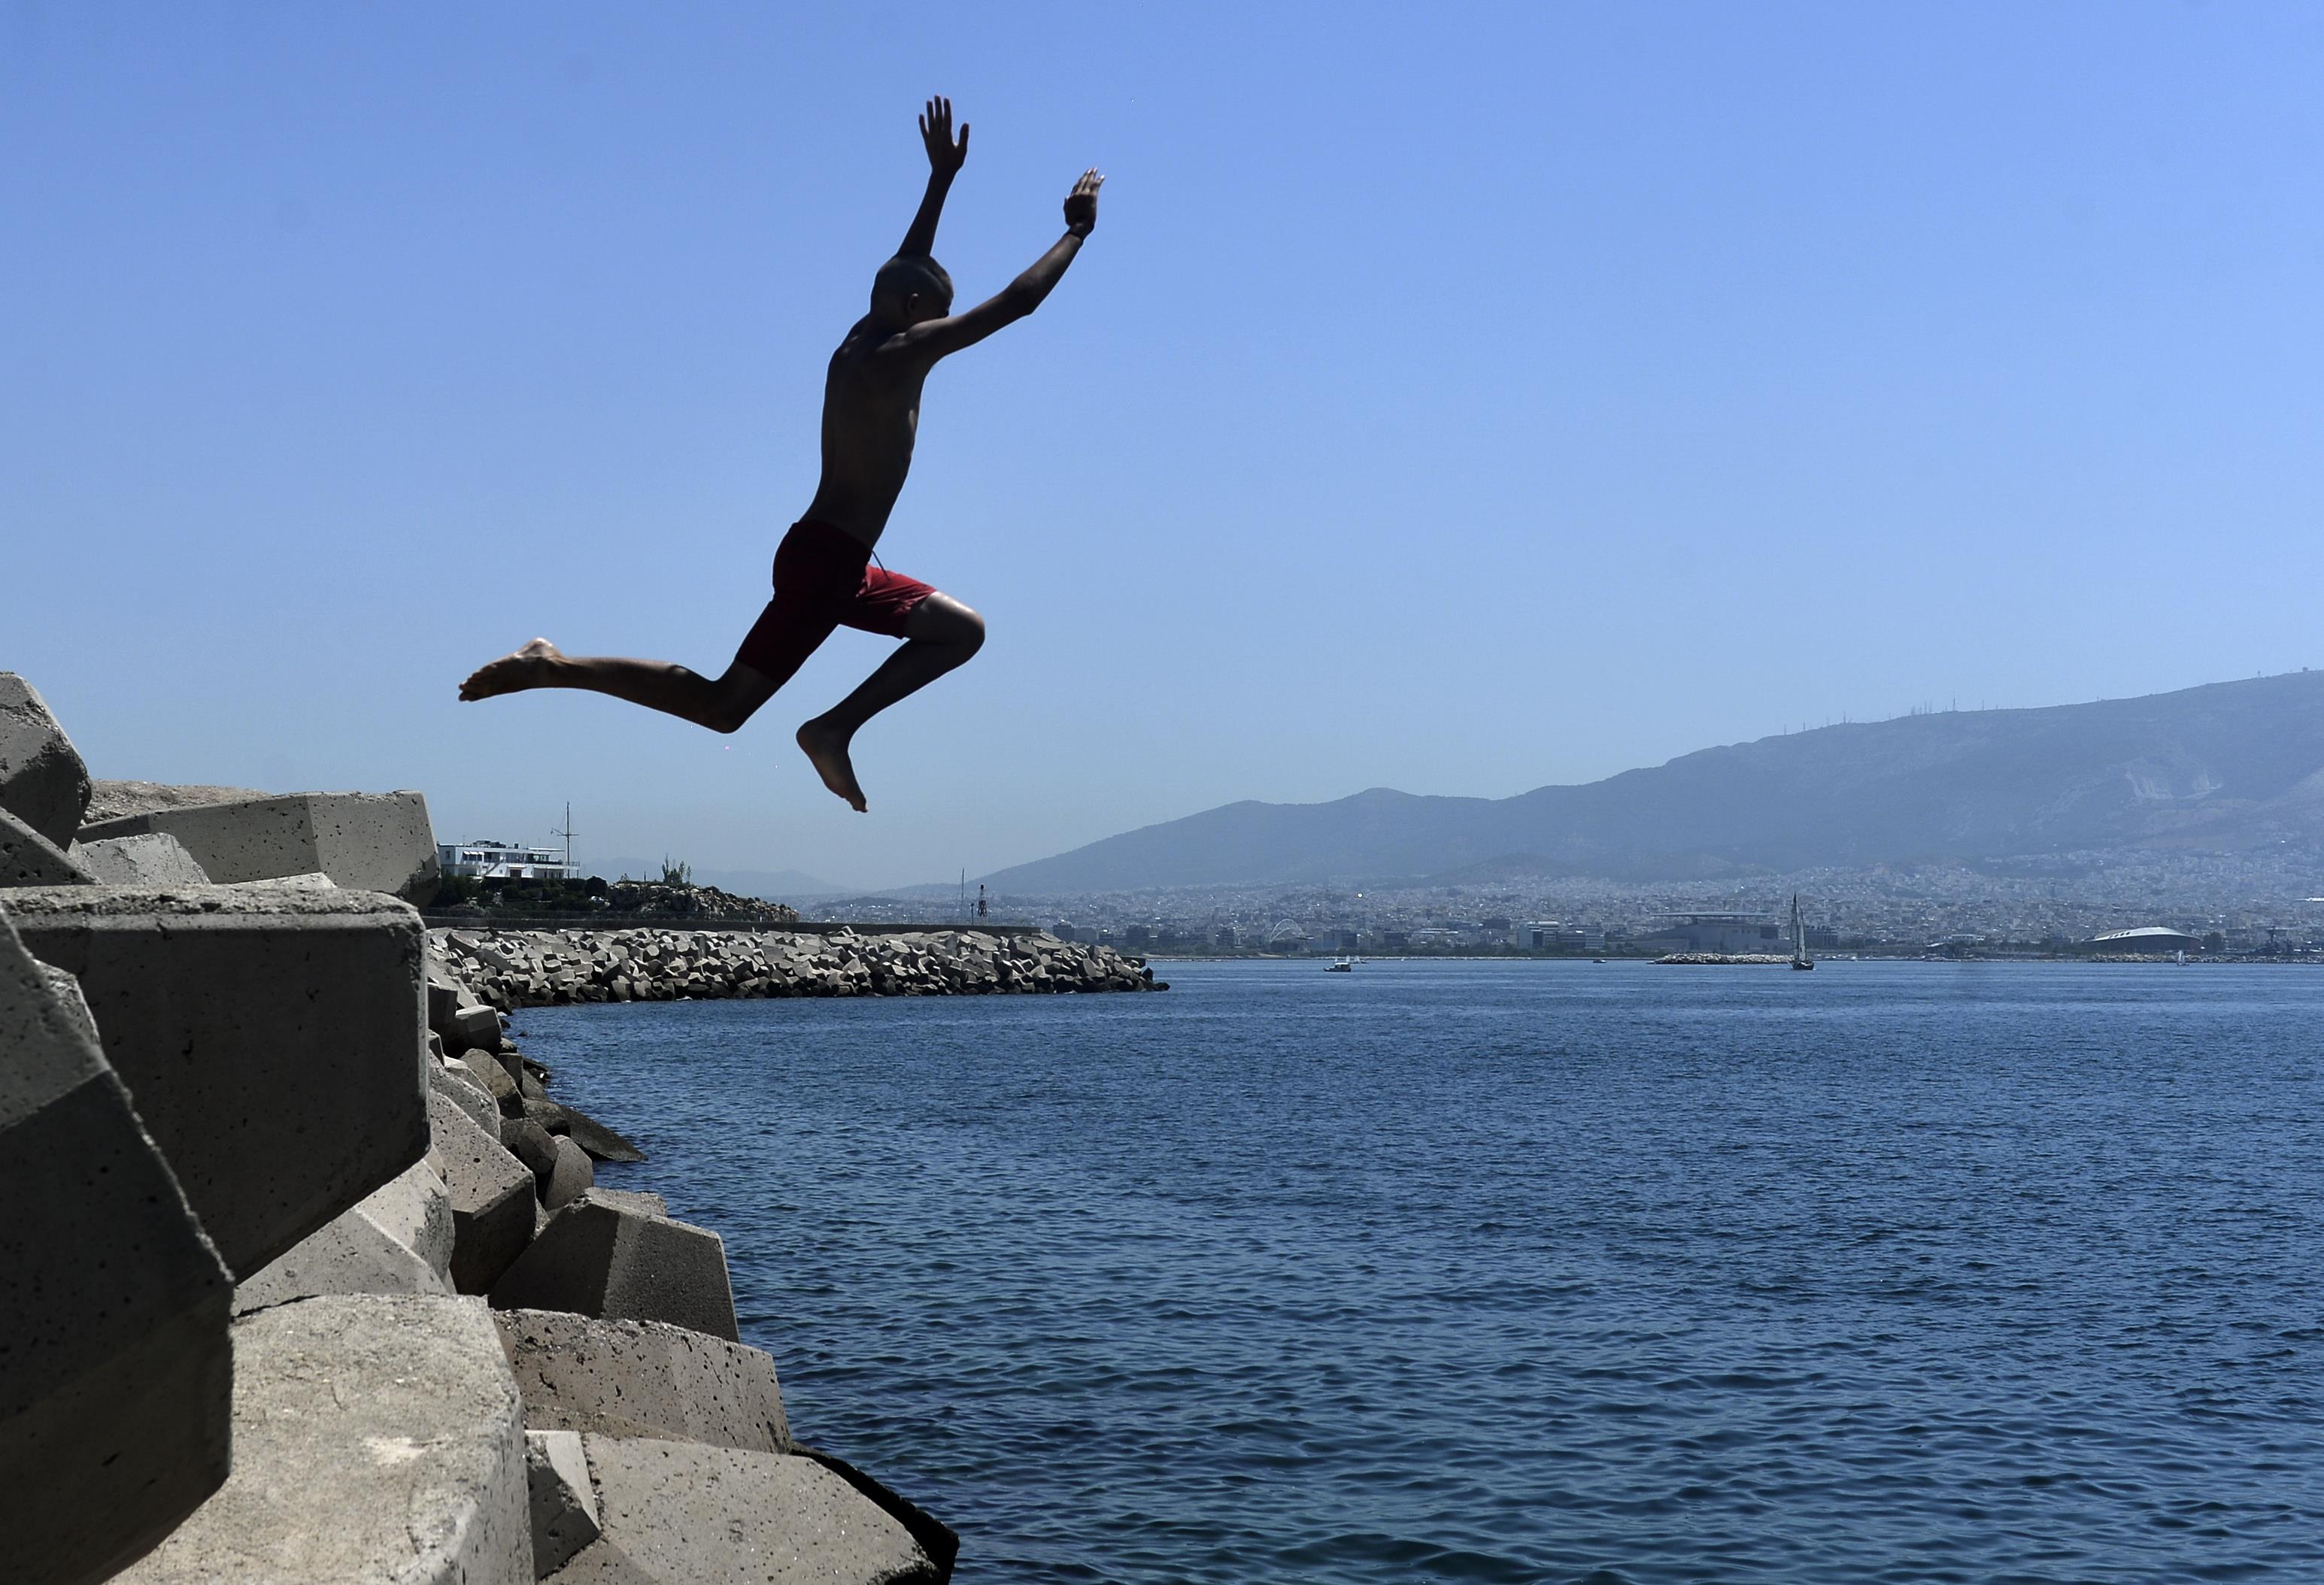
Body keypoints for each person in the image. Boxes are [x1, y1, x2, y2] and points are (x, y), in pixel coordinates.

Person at [460, 96, 1102, 811]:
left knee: (959, 630)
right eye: (940, 311)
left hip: (835, 560)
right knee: (723, 706)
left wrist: (940, 182)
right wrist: (1074, 235)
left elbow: (904, 268)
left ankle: (830, 727)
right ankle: (566, 669)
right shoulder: (903, 353)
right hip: (826, 563)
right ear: (922, 313)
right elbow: (1016, 302)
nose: (947, 324)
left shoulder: (863, 336)